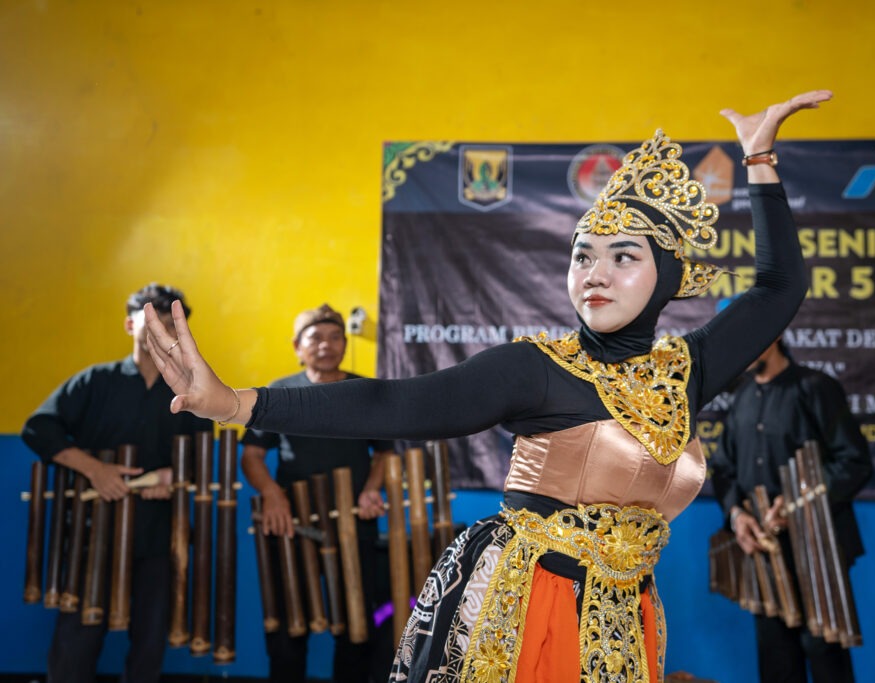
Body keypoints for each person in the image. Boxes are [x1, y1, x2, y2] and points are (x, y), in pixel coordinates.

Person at [144, 90, 831, 682]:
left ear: (669, 279)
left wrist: (758, 157)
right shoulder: (536, 368)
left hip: (627, 611)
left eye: (623, 256)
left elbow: (780, 287)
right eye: (582, 256)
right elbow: (396, 403)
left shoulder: (687, 370)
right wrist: (235, 404)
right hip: (526, 605)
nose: (595, 273)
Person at [21, 283, 212, 683]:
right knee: (76, 642)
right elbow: (38, 429)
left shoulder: (193, 391)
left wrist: (177, 476)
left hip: (160, 533)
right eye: (153, 321)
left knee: (150, 644)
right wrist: (95, 469)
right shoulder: (96, 381)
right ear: (130, 325)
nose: (163, 332)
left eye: (172, 324)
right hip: (93, 531)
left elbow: (203, 456)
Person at [240, 303, 395, 683]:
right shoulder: (278, 392)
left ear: (345, 344)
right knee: (287, 630)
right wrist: (272, 494)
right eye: (316, 338)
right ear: (298, 346)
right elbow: (252, 456)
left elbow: (385, 454)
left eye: (335, 337)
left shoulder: (365, 391)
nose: (326, 345)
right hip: (292, 524)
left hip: (353, 525)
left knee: (356, 629)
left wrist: (371, 489)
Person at [710, 337, 873, 683]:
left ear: (774, 335)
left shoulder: (816, 388)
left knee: (826, 658)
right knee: (776, 665)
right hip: (764, 554)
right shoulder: (742, 397)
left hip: (819, 551)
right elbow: (723, 469)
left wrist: (798, 501)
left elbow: (854, 462)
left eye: (749, 336)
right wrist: (737, 516)